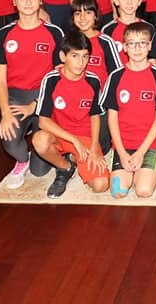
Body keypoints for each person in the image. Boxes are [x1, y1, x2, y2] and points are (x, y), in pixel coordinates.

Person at [0, 0, 64, 189]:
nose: (28, 3)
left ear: (41, 0)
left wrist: (34, 106)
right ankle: (22, 161)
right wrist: (5, 113)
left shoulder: (54, 32)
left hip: (44, 98)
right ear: (14, 1)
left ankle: (46, 145)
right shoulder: (3, 34)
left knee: (40, 171)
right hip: (15, 96)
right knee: (10, 139)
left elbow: (59, 78)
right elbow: (0, 80)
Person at [33, 31, 110, 198]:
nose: (81, 63)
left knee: (101, 185)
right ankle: (65, 167)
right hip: (60, 135)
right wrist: (74, 140)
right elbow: (43, 122)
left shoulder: (93, 80)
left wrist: (93, 148)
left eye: (85, 56)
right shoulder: (51, 79)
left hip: (85, 137)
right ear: (63, 56)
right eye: (75, 56)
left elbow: (95, 116)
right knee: (39, 141)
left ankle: (74, 158)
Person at [99, 21, 156, 198]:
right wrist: (122, 152)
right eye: (131, 43)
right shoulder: (116, 77)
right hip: (123, 144)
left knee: (143, 191)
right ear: (124, 47)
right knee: (118, 192)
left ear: (149, 46)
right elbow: (112, 119)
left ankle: (151, 167)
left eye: (142, 43)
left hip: (149, 144)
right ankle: (122, 163)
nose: (137, 48)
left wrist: (140, 153)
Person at [70, 0, 122, 87]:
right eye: (78, 13)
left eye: (88, 13)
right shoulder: (68, 41)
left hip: (100, 94)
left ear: (95, 16)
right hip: (74, 93)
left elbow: (116, 73)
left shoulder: (106, 42)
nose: (82, 17)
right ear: (73, 17)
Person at [102, 0, 142, 65]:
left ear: (140, 1)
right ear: (116, 1)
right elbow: (105, 60)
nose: (129, 2)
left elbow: (152, 60)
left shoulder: (148, 28)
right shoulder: (108, 30)